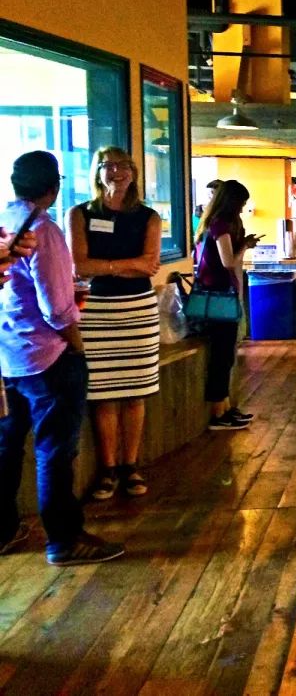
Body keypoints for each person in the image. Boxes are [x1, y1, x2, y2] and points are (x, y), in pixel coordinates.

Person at [0, 150, 125, 565]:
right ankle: (64, 540)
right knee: (55, 451)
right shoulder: (44, 230)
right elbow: (57, 308)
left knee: (7, 446)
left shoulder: (5, 223)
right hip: (47, 357)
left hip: (8, 357)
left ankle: (4, 531)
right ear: (53, 187)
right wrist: (77, 346)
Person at [68, 146, 161, 500]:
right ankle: (107, 469)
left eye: (123, 166)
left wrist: (104, 266)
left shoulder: (149, 217)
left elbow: (150, 265)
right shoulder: (80, 214)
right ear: (97, 172)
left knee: (135, 392)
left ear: (133, 173)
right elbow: (79, 266)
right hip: (95, 311)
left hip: (137, 310)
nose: (116, 172)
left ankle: (130, 465)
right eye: (108, 166)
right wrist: (126, 264)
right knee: (103, 393)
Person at [194, 180, 259, 430]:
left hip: (219, 294)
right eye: (241, 203)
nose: (242, 208)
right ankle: (218, 414)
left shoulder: (213, 222)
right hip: (219, 296)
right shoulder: (220, 224)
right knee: (222, 357)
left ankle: (226, 408)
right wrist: (245, 246)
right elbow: (228, 261)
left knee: (226, 356)